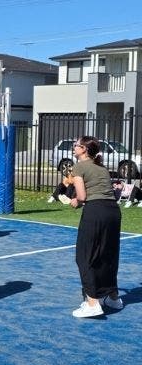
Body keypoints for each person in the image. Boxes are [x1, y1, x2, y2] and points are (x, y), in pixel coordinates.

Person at [68, 136, 123, 318]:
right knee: (108, 254)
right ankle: (113, 297)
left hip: (96, 212)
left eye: (76, 145)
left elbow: (82, 197)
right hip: (113, 212)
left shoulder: (79, 167)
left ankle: (92, 303)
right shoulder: (101, 168)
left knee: (84, 256)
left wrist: (75, 201)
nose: (73, 147)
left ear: (83, 149)